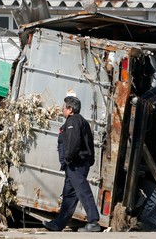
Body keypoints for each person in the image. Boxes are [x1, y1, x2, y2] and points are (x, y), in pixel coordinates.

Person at [44, 95, 101, 232]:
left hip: (76, 164)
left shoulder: (73, 121)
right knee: (69, 194)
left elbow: (73, 143)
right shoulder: (79, 121)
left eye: (64, 107)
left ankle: (93, 222)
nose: (62, 110)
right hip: (75, 164)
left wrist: (68, 158)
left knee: (83, 191)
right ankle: (59, 224)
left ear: (70, 109)